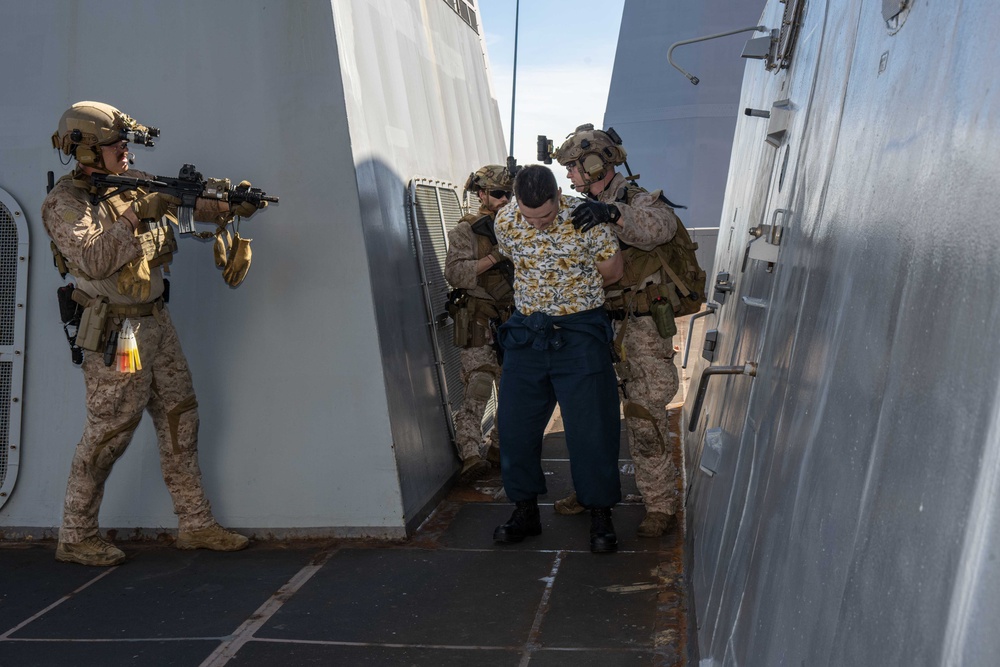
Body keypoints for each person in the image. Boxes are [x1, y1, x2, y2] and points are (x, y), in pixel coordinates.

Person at [43, 101, 259, 566]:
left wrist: (228, 204)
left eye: (126, 144)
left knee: (181, 417)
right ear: (84, 151)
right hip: (121, 334)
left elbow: (187, 201)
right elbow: (95, 259)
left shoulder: (129, 185)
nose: (126, 153)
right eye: (115, 145)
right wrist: (134, 215)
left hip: (155, 323)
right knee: (112, 432)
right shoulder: (65, 203)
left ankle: (196, 524)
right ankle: (75, 535)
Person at [551, 124, 685, 538]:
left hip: (640, 329)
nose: (569, 176)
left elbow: (659, 227)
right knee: (590, 417)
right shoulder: (580, 207)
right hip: (594, 325)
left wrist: (613, 214)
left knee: (644, 416)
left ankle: (661, 504)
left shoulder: (636, 201)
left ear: (595, 165)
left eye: (573, 168)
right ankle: (593, 491)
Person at [491, 164, 624, 554]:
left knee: (592, 428)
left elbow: (612, 273)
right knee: (515, 426)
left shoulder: (586, 219)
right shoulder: (506, 221)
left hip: (579, 334)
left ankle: (599, 513)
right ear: (517, 203)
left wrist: (571, 289)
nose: (538, 225)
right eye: (529, 217)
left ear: (558, 199)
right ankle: (525, 510)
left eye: (546, 216)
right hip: (527, 335)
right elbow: (515, 258)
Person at [443, 165, 516, 483]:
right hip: (478, 320)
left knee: (514, 391)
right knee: (478, 387)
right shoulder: (467, 231)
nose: (504, 200)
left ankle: (501, 447)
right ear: (482, 194)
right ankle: (471, 453)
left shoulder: (519, 226)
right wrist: (495, 257)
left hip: (513, 321)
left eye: (508, 194)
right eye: (498, 194)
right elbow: (455, 274)